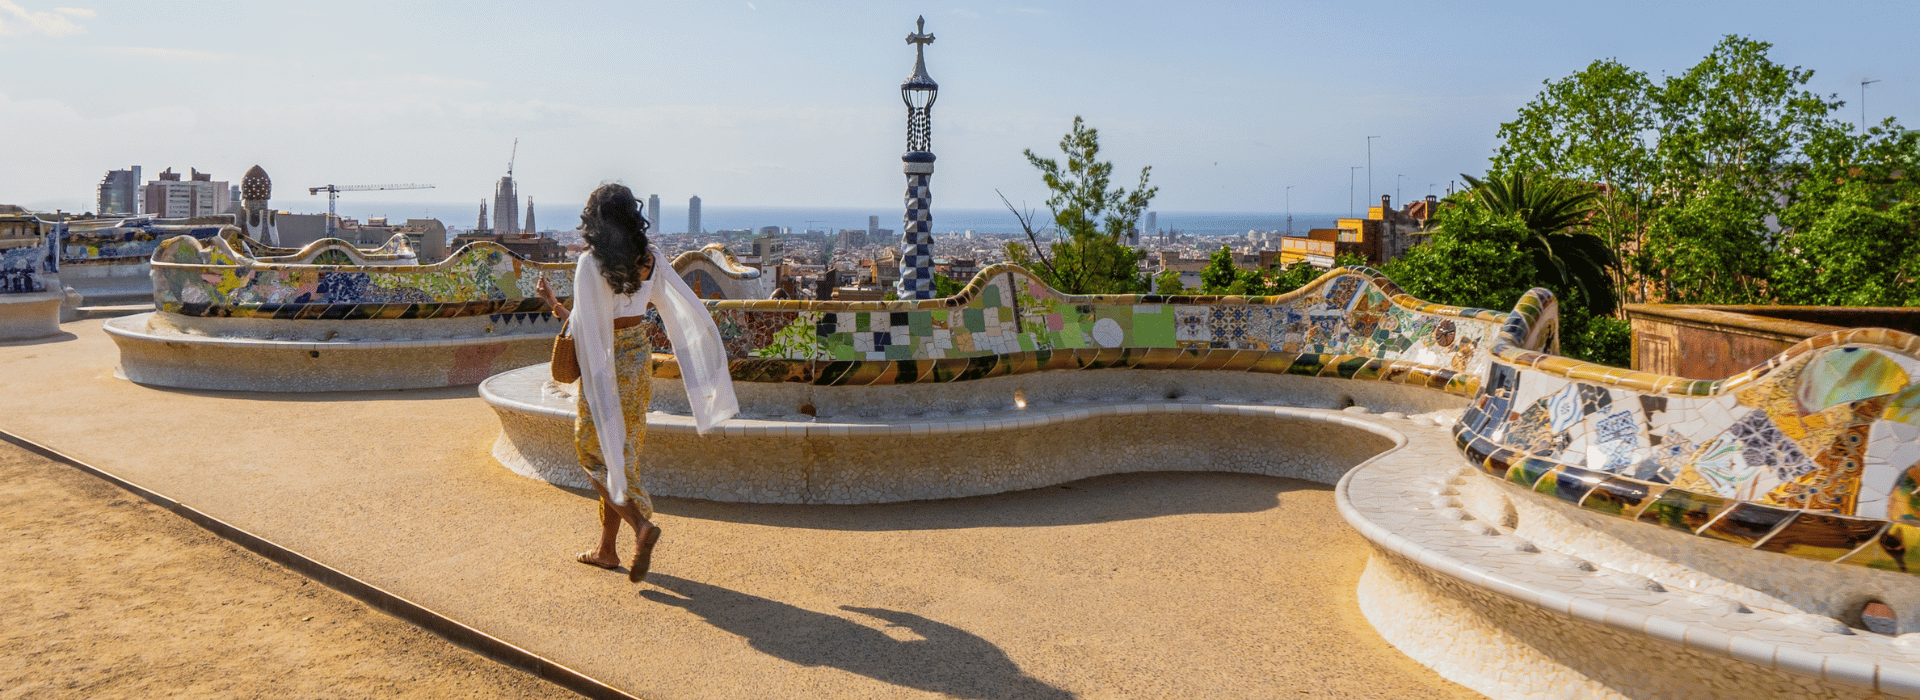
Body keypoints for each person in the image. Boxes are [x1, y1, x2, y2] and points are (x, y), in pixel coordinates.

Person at [535, 183, 738, 583]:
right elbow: (678, 307)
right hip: (637, 357)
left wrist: (553, 305)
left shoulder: (591, 265)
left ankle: (639, 525)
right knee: (621, 452)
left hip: (605, 362)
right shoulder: (651, 259)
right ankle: (607, 551)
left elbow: (586, 328)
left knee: (593, 452)